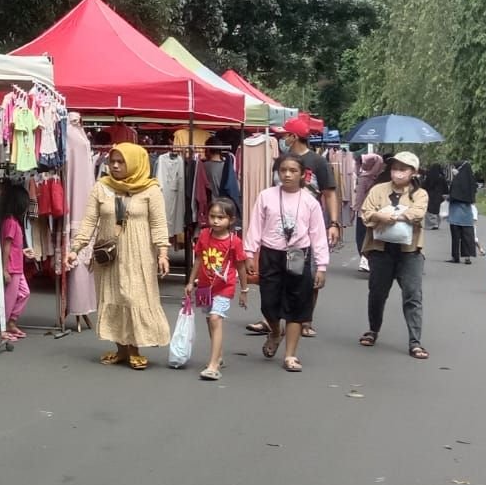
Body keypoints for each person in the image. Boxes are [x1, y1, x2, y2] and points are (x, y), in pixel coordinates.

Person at [66, 143, 172, 370]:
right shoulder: (101, 187)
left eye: (120, 162)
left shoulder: (151, 190)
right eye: (112, 161)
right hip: (109, 256)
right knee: (113, 297)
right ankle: (121, 349)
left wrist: (163, 253)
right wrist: (75, 249)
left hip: (139, 255)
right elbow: (89, 221)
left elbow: (159, 224)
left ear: (134, 163)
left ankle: (134, 349)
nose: (114, 165)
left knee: (133, 297)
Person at [244, 153, 329, 372]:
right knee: (268, 302)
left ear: (302, 174)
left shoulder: (310, 201)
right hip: (271, 253)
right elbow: (255, 225)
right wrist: (250, 253)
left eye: (293, 171)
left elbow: (318, 235)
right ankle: (275, 331)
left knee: (296, 304)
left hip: (298, 254)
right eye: (283, 170)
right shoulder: (266, 196)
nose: (288, 175)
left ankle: (291, 355)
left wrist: (321, 266)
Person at [358, 152, 430, 359]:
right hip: (381, 250)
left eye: (403, 169)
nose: (398, 173)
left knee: (412, 295)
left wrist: (393, 216)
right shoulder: (378, 190)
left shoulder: (420, 194)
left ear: (413, 172)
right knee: (377, 293)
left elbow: (417, 213)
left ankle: (415, 342)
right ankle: (373, 330)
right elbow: (366, 212)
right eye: (395, 168)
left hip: (410, 252)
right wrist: (379, 215)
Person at [186, 197, 246, 381]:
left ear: (231, 220)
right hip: (205, 286)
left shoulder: (234, 242)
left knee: (215, 318)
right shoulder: (204, 235)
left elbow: (241, 266)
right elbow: (198, 259)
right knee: (209, 320)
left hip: (224, 287)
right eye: (212, 216)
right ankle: (218, 356)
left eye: (221, 217)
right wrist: (190, 282)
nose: (216, 221)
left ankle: (213, 365)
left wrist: (244, 290)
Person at [0, 183, 32, 340]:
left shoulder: (13, 221)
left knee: (24, 293)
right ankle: (1, 326)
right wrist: (4, 269)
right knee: (9, 298)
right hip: (12, 267)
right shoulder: (11, 222)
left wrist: (23, 252)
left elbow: (12, 246)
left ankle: (10, 322)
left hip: (17, 266)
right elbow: (6, 247)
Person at [350, 153, 386, 271]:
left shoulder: (363, 178)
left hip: (363, 213)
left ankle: (365, 261)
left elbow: (359, 197)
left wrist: (354, 211)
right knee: (374, 238)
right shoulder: (382, 178)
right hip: (378, 213)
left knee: (361, 238)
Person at [446, 160, 479, 264]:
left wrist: (447, 198)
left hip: (456, 212)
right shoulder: (471, 181)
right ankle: (467, 257)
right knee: (467, 236)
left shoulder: (457, 181)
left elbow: (453, 196)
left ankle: (455, 257)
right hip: (467, 213)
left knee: (455, 236)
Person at [421, 163, 448, 231]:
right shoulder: (441, 177)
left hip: (430, 195)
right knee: (438, 210)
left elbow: (424, 185)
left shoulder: (429, 176)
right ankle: (437, 224)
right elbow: (445, 187)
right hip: (439, 195)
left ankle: (432, 224)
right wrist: (446, 194)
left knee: (430, 210)